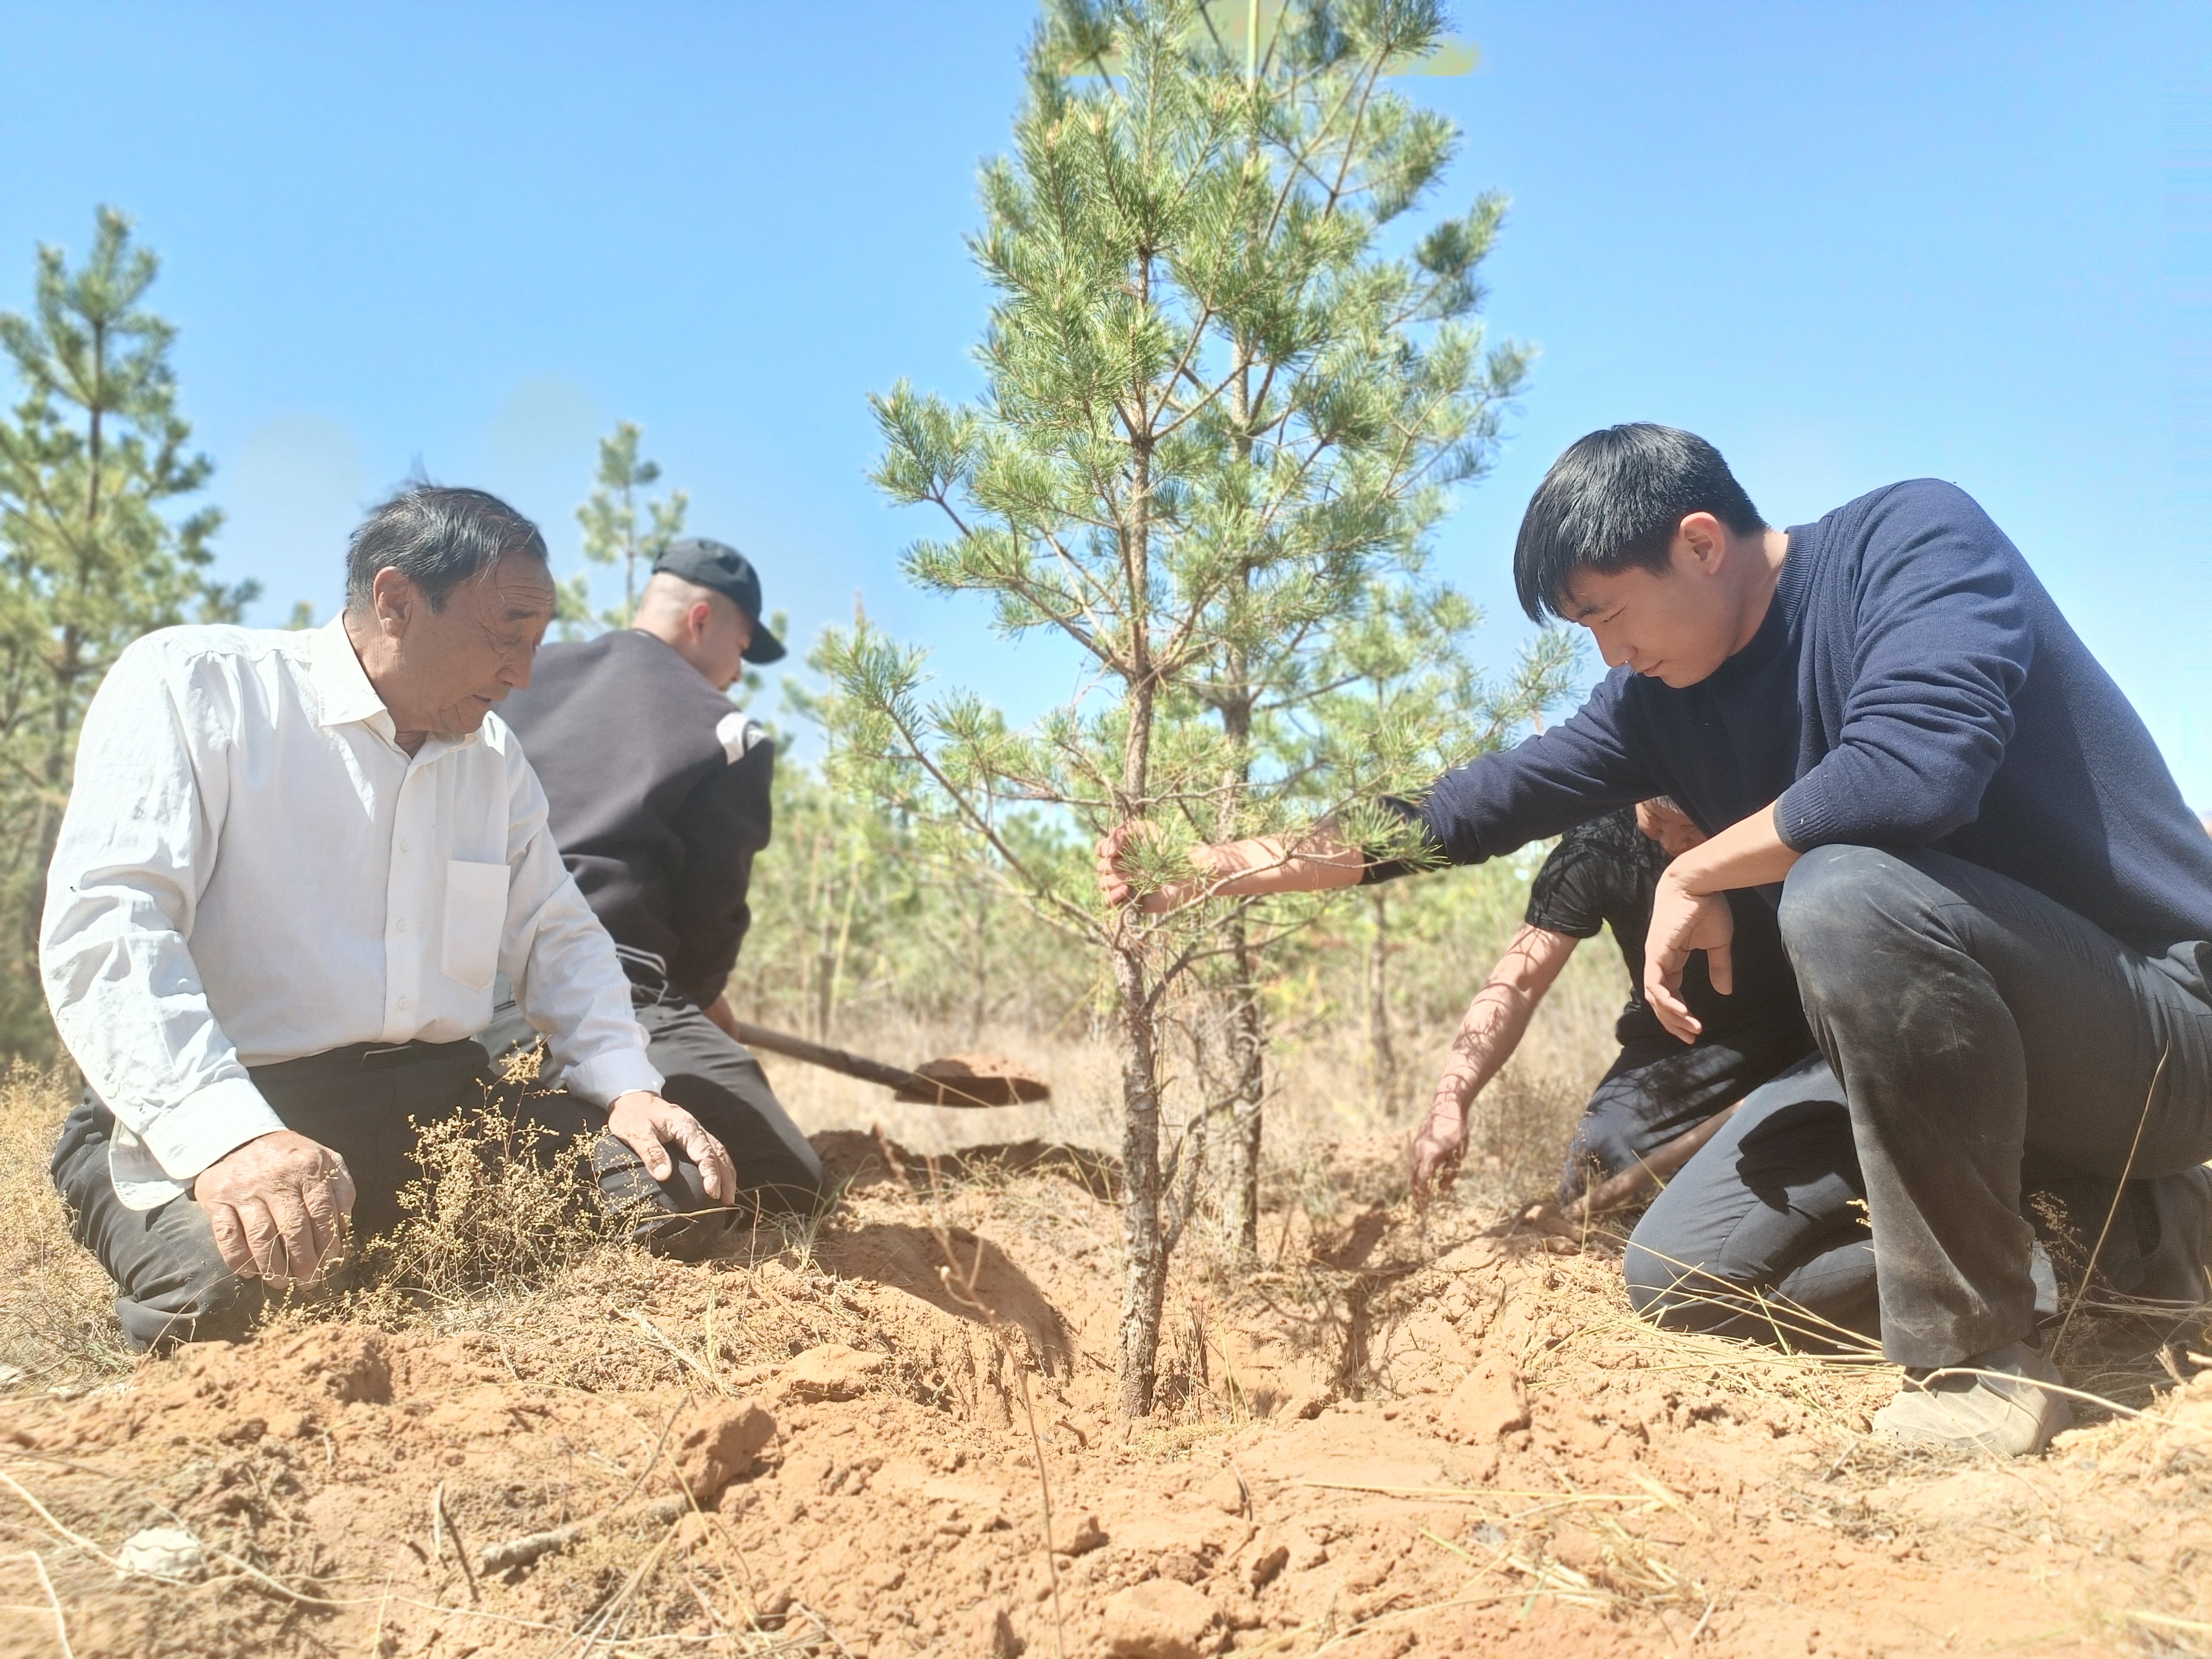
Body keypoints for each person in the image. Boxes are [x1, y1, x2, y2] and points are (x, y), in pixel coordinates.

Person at [1102, 424, 2212, 1455]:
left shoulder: (1909, 539)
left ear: (1698, 544)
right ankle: (2077, 1255)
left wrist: (1697, 863)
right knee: (1682, 1276)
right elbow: (1468, 809)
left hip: (2152, 1029)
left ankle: (1979, 1365)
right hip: (1945, 1058)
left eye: (1605, 614)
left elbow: (1917, 764)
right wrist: (1206, 870)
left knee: (1840, 890)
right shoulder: (1654, 707)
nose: (1605, 655)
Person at [44, 487, 744, 1352]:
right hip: (223, 1101)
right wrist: (227, 1138)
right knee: (236, 1299)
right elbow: (109, 928)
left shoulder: (492, 762)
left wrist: (627, 1087)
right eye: (507, 633)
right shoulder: (198, 687)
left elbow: (559, 936)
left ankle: (378, 1252)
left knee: (670, 1195)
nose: (522, 674)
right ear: (396, 601)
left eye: (535, 642)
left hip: (436, 1106)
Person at [488, 536, 824, 1213]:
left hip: (464, 981)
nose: (735, 675)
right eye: (741, 649)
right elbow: (710, 917)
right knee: (786, 1180)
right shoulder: (726, 732)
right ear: (702, 621)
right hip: (614, 989)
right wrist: (700, 997)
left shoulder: (515, 678)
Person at [1410, 798, 1815, 1207]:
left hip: (1813, 1019)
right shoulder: (1598, 846)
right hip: (1684, 1041)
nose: (1673, 842)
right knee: (1597, 1163)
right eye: (1656, 822)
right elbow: (1518, 983)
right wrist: (1451, 1102)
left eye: (1692, 823)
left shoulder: (1774, 800)